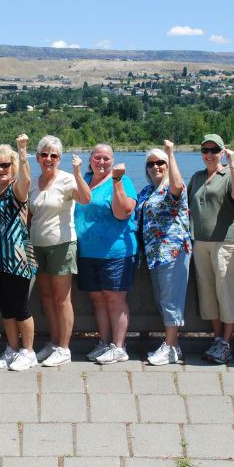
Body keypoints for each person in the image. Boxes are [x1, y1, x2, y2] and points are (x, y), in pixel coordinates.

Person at [29, 135, 91, 367]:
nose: (48, 159)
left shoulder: (67, 180)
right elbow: (29, 214)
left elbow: (86, 198)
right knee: (46, 298)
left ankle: (64, 348)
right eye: (44, 154)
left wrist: (77, 172)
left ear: (60, 158)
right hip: (37, 246)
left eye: (53, 155)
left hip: (62, 245)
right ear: (37, 157)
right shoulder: (34, 182)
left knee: (61, 299)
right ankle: (54, 343)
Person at [75, 144, 138, 365]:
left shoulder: (122, 181)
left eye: (106, 159)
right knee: (97, 300)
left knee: (114, 299)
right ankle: (104, 342)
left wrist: (117, 181)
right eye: (97, 158)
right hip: (87, 252)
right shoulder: (83, 181)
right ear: (90, 159)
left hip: (115, 251)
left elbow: (123, 213)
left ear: (113, 161)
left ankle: (119, 347)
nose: (101, 162)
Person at [0, 135, 38, 372]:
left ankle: (29, 352)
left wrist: (23, 152)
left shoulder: (16, 187)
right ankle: (12, 349)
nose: (2, 169)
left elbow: (26, 181)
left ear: (12, 165)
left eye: (6, 164)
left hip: (16, 259)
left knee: (20, 307)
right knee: (6, 308)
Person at [187, 134, 234, 364]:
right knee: (208, 294)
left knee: (227, 293)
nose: (209, 155)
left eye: (214, 150)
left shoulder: (230, 174)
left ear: (222, 152)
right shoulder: (197, 177)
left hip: (227, 243)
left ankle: (226, 343)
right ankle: (217, 338)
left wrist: (232, 164)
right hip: (201, 242)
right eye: (205, 150)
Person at [138, 140, 192, 366]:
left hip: (173, 252)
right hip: (154, 255)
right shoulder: (147, 191)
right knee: (162, 300)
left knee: (171, 300)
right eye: (151, 164)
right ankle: (174, 346)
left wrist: (171, 154)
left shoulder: (173, 186)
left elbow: (178, 187)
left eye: (161, 163)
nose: (156, 167)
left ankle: (169, 346)